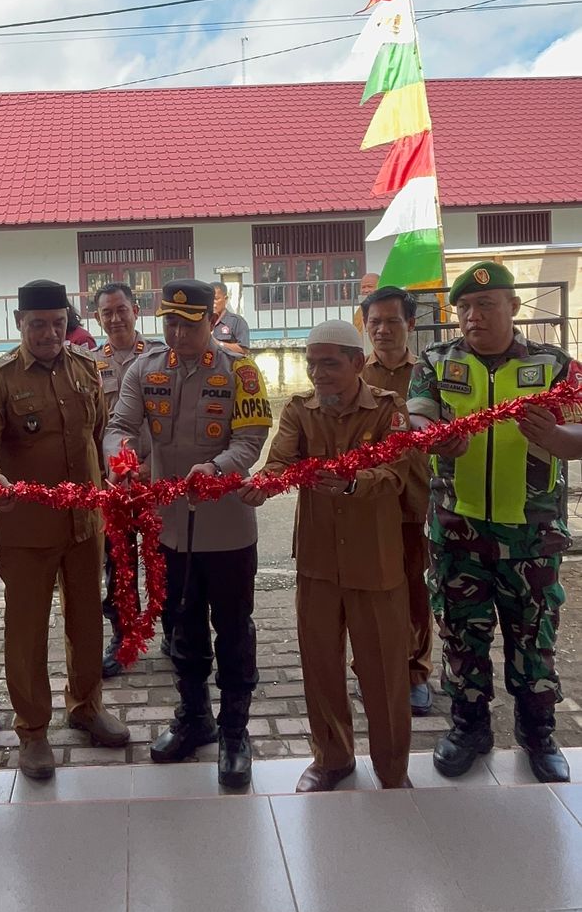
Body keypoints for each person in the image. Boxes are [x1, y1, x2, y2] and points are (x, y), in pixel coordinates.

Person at [408, 260, 582, 783]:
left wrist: (558, 439)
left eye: (485, 305)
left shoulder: (554, 365)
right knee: (462, 636)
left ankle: (538, 733)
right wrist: (431, 435)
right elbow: (418, 414)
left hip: (532, 535)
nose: (472, 316)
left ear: (513, 306)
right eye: (463, 307)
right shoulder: (437, 361)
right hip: (458, 531)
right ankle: (469, 728)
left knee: (535, 638)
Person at [104, 279, 272, 788]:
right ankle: (194, 717)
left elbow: (250, 440)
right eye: (170, 323)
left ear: (211, 321)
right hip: (169, 529)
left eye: (188, 324)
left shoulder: (241, 371)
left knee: (234, 630)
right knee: (181, 626)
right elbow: (118, 425)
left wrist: (217, 468)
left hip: (226, 529)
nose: (177, 334)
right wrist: (121, 460)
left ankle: (235, 731)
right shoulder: (145, 368)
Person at [0, 280, 129, 780]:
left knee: (87, 621)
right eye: (38, 324)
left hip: (84, 523)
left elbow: (97, 433)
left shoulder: (85, 367)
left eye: (58, 324)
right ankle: (33, 731)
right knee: (27, 631)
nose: (50, 334)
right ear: (20, 323)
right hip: (27, 527)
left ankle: (86, 705)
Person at [243, 320, 412, 792]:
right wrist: (263, 485)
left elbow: (396, 471)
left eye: (329, 364)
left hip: (375, 562)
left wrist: (354, 483)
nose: (318, 373)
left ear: (357, 363)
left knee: (383, 670)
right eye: (312, 364)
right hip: (317, 560)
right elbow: (280, 461)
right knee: (320, 665)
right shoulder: (301, 410)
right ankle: (332, 758)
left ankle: (392, 769)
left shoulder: (388, 409)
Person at [360, 284, 435, 714]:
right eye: (375, 322)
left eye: (392, 321)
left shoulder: (428, 373)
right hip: (366, 500)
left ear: (410, 323)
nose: (383, 330)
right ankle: (370, 666)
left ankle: (415, 670)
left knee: (412, 585)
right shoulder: (355, 374)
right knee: (366, 587)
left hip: (414, 497)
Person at [93, 282, 156, 676]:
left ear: (136, 310)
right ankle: (122, 634)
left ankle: (175, 631)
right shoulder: (88, 364)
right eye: (107, 313)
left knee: (166, 557)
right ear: (98, 318)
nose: (115, 319)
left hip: (157, 477)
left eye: (121, 310)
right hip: (113, 482)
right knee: (118, 562)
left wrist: (152, 465)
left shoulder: (158, 357)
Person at [212, 282, 250, 353]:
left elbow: (244, 350)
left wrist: (218, 344)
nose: (213, 303)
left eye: (216, 299)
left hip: (227, 360)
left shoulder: (236, 321)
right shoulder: (203, 321)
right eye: (209, 299)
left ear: (225, 299)